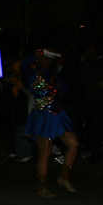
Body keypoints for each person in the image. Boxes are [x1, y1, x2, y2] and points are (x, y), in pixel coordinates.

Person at [22, 49, 79, 197]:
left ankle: (63, 178)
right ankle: (42, 188)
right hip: (43, 115)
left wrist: (57, 97)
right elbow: (24, 64)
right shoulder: (32, 73)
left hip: (58, 114)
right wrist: (38, 53)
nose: (47, 61)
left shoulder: (54, 74)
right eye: (44, 59)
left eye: (49, 59)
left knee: (74, 144)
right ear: (39, 59)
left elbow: (66, 88)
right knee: (45, 153)